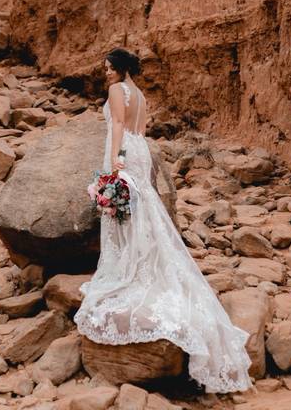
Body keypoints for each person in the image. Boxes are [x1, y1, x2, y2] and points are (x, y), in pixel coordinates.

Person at [74, 48, 252, 393]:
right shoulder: (139, 93)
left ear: (121, 68)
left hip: (126, 150)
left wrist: (114, 162)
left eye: (109, 68)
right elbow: (140, 127)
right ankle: (145, 263)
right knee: (144, 209)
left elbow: (120, 126)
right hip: (142, 151)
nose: (106, 73)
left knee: (126, 210)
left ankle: (129, 269)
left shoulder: (117, 91)